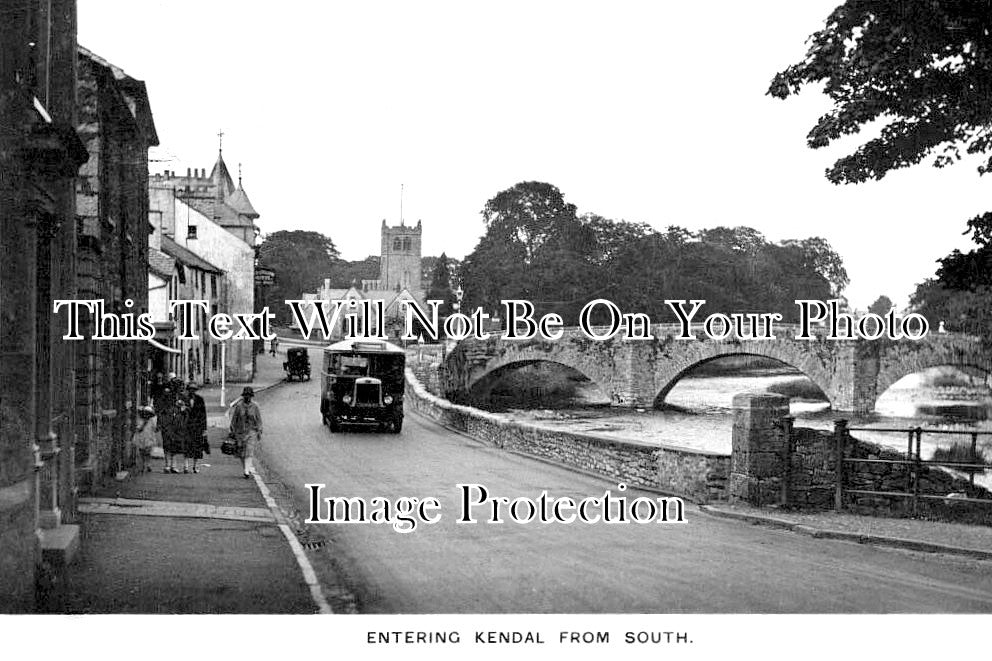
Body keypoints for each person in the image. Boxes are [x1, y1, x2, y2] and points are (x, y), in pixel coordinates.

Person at [230, 386, 263, 479]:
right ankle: (246, 468)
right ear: (243, 396)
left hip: (251, 431)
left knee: (249, 450)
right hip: (240, 432)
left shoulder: (255, 406)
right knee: (241, 453)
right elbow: (234, 420)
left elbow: (259, 419)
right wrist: (232, 430)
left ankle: (246, 471)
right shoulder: (239, 406)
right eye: (246, 396)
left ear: (251, 396)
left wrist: (259, 430)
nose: (247, 397)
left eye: (249, 396)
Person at [158, 384, 184, 473]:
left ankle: (171, 465)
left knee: (173, 446)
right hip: (168, 427)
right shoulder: (164, 408)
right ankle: (169, 465)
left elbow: (181, 416)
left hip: (174, 427)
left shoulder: (176, 406)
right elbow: (161, 416)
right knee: (168, 446)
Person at [184, 382, 209, 473]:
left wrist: (204, 428)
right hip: (187, 426)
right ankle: (186, 466)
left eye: (193, 390)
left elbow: (203, 415)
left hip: (198, 426)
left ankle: (195, 466)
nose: (192, 391)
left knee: (197, 447)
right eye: (190, 389)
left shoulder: (200, 399)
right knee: (187, 446)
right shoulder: (184, 399)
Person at [131, 405, 159, 473]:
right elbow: (138, 429)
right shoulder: (140, 420)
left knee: (148, 452)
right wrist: (144, 424)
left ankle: (148, 464)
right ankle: (142, 465)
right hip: (141, 437)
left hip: (149, 437)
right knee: (142, 452)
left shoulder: (152, 420)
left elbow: (155, 428)